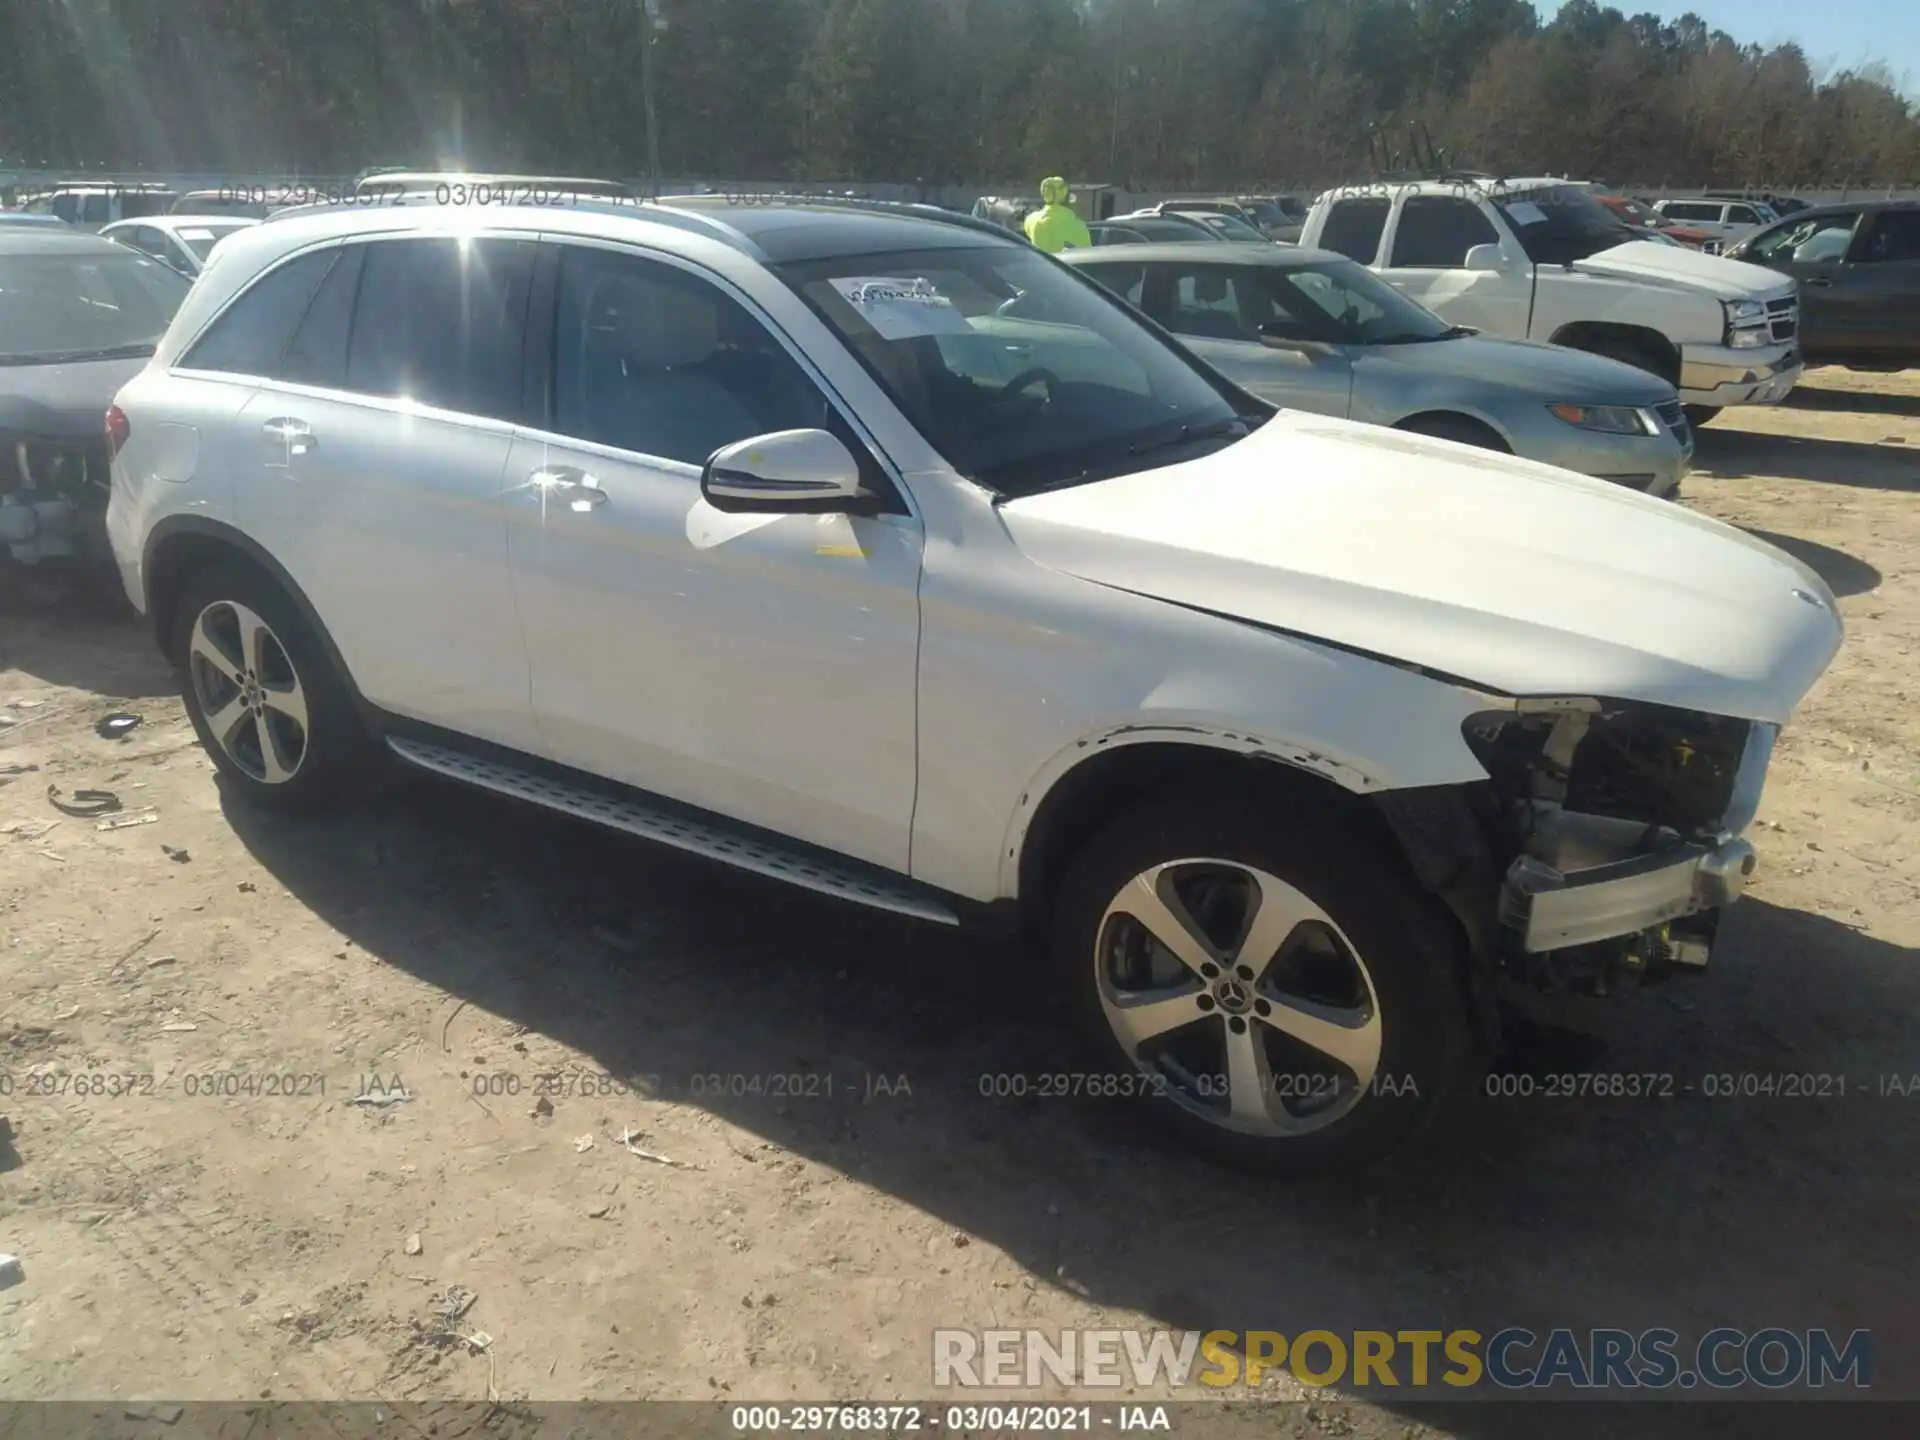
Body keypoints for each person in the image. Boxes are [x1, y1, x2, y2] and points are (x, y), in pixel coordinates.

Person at [1024, 176, 1091, 253]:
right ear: (1063, 196)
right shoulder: (1077, 226)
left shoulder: (1031, 220)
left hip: (1039, 264)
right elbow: (1086, 255)